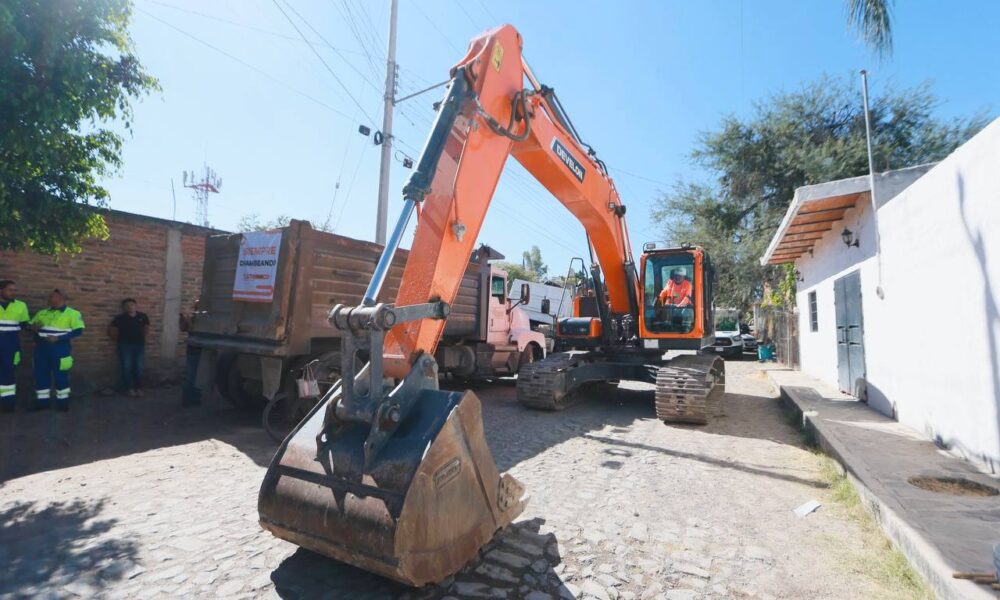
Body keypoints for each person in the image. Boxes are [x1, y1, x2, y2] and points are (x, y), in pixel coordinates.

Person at [30, 289, 85, 412]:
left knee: (61, 376)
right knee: (41, 376)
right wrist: (33, 327)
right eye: (50, 297)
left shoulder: (73, 313)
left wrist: (59, 338)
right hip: (41, 349)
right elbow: (31, 326)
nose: (50, 299)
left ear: (62, 298)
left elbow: (78, 331)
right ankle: (42, 403)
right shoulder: (42, 312)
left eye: (53, 297)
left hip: (60, 349)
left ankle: (63, 403)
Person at [108, 298, 150, 397]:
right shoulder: (120, 318)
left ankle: (138, 388)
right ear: (124, 308)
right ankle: (129, 388)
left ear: (135, 306)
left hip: (139, 345)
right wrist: (119, 341)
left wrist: (142, 338)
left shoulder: (142, 316)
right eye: (127, 306)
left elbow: (146, 328)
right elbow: (112, 331)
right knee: (126, 367)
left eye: (132, 305)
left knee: (139, 367)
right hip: (125, 345)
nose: (130, 307)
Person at [0, 280, 31, 413]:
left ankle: (8, 404)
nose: (13, 293)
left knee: (8, 373)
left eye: (14, 290)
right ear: (1, 290)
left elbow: (24, 324)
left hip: (11, 343)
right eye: (10, 290)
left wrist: (32, 328)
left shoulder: (21, 305)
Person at [179, 299, 201, 407]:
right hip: (193, 349)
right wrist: (183, 318)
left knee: (196, 375)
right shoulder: (194, 317)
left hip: (200, 350)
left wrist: (188, 321)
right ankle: (188, 399)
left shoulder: (204, 319)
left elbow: (194, 329)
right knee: (191, 375)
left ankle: (195, 398)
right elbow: (184, 328)